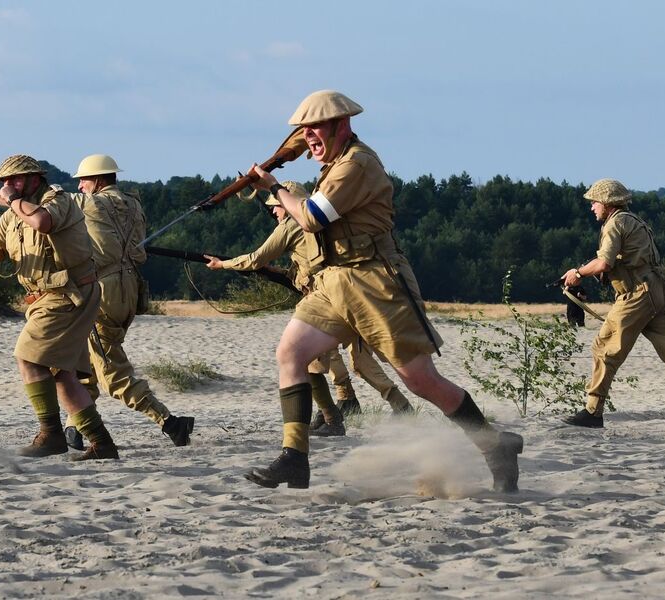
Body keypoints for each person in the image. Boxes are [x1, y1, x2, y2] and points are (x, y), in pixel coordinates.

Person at [242, 90, 523, 492]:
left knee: (421, 381)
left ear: (342, 125)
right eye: (304, 131)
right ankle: (294, 457)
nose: (309, 138)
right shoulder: (335, 163)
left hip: (377, 282)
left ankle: (494, 446)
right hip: (334, 281)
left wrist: (274, 187)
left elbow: (311, 218)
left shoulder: (356, 165)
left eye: (316, 128)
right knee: (291, 352)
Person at [205, 181, 413, 437]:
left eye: (276, 206)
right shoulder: (322, 221)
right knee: (358, 359)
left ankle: (332, 417)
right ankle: (395, 405)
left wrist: (221, 264)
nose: (274, 211)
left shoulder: (290, 225)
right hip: (349, 291)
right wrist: (279, 274)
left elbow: (256, 258)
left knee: (307, 360)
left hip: (328, 298)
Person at [0, 154, 118, 460]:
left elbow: (42, 221)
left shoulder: (57, 199)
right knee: (62, 374)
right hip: (44, 299)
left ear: (35, 179)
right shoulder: (13, 214)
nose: (9, 185)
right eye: (5, 182)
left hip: (68, 294)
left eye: (16, 180)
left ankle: (51, 434)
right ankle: (102, 444)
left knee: (28, 358)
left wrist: (5, 200)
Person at [560, 178, 665, 428]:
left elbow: (604, 263)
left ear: (607, 202)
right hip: (656, 293)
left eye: (594, 202)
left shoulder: (615, 223)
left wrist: (578, 274)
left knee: (604, 347)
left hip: (635, 295)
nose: (592, 207)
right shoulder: (632, 221)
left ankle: (593, 411)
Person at [63, 154, 194, 450]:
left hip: (103, 291)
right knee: (90, 360)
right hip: (130, 288)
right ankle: (75, 426)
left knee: (111, 372)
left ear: (96, 180)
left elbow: (54, 209)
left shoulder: (89, 203)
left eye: (83, 180)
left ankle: (170, 423)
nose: (81, 186)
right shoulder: (134, 204)